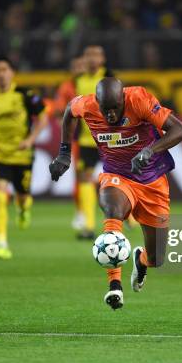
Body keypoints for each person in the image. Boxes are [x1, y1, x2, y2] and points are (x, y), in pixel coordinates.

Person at [49, 78, 182, 310]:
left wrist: (149, 150)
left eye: (115, 108)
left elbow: (179, 129)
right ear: (98, 103)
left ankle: (141, 260)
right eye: (106, 109)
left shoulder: (139, 100)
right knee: (112, 210)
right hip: (117, 176)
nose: (111, 114)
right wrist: (64, 153)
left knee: (157, 259)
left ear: (123, 99)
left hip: (152, 181)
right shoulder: (88, 104)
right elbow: (68, 113)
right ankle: (115, 285)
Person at [0, 56, 48, 259]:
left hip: (22, 154)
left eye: (4, 69)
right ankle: (1, 243)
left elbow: (43, 117)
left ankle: (24, 208)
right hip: (0, 154)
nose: (0, 73)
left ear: (11, 73)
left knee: (23, 196)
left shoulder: (24, 94)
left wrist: (31, 139)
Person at [72, 45, 113, 240]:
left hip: (111, 138)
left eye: (95, 55)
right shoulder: (78, 80)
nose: (91, 59)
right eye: (88, 55)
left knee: (119, 179)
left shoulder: (110, 77)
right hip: (87, 139)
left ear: (103, 59)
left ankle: (129, 217)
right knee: (85, 178)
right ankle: (88, 226)